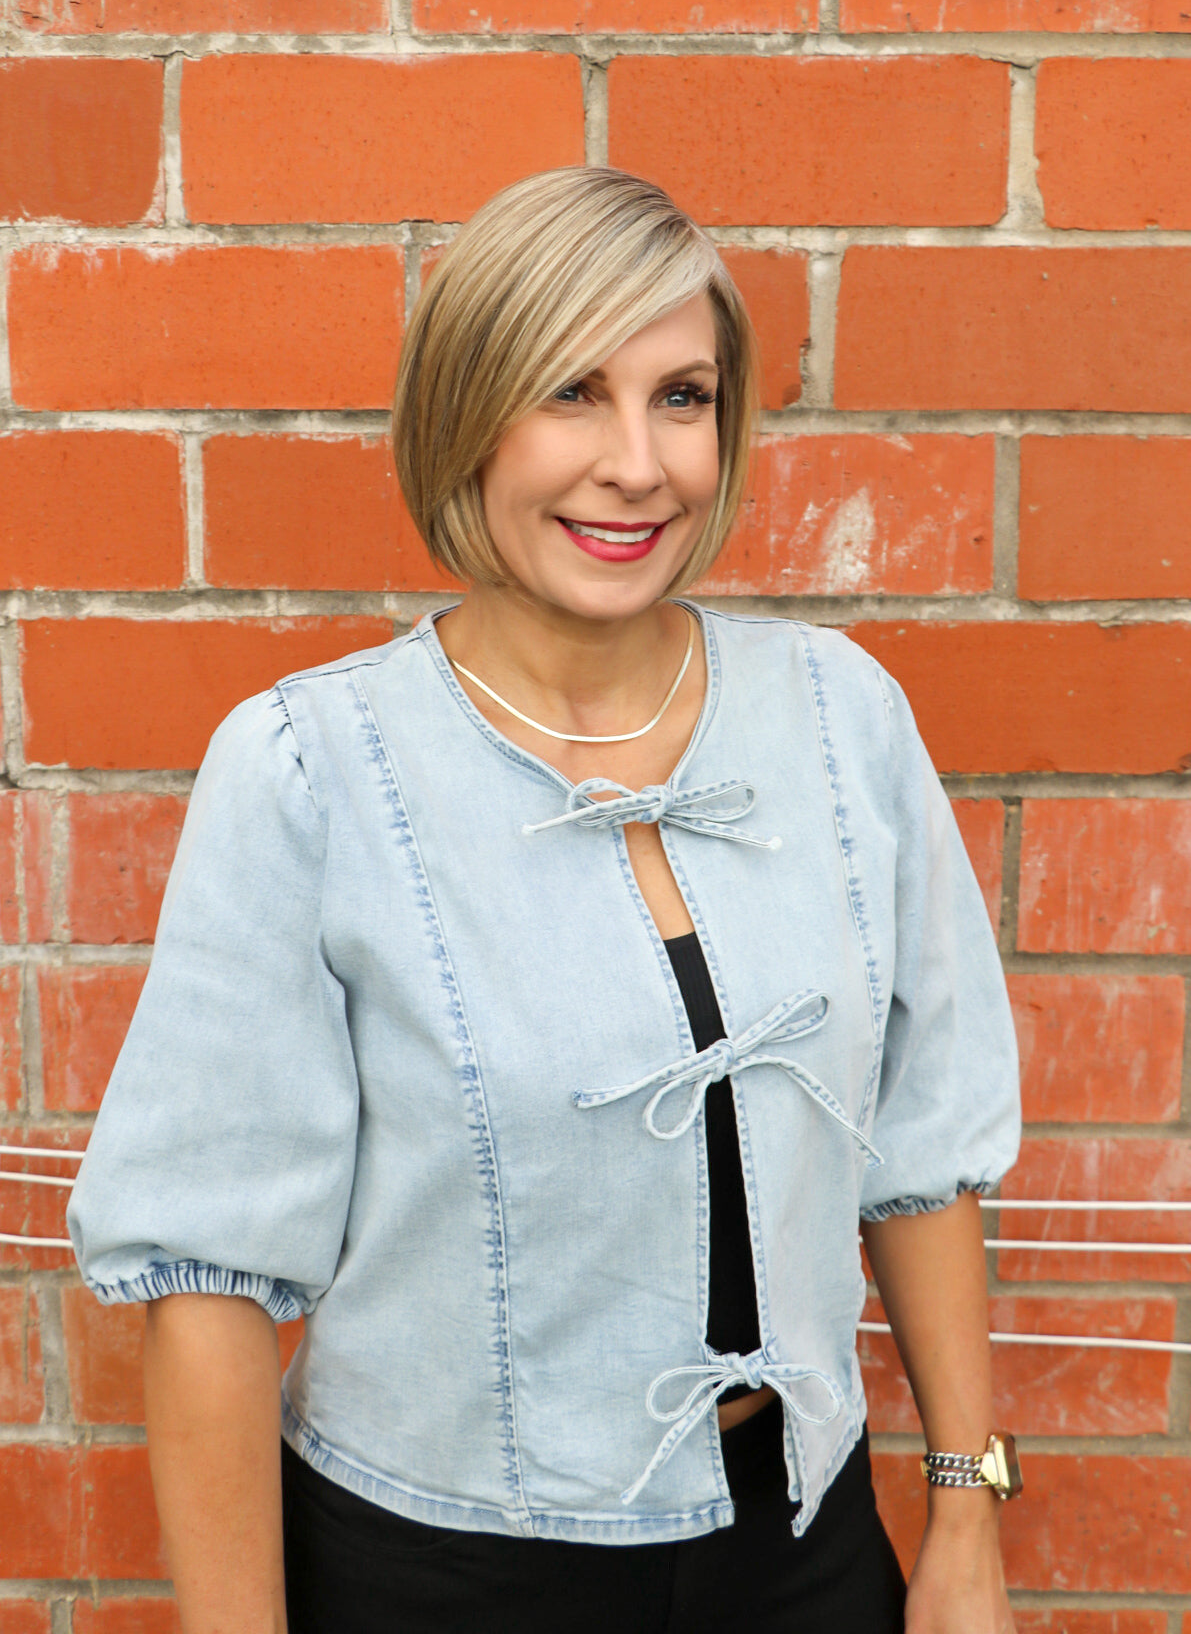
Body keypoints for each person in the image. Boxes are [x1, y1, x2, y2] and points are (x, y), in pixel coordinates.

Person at [68, 166, 1021, 1634]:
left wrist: (966, 1509)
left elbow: (921, 1140)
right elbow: (210, 1281)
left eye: (683, 397)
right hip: (435, 1574)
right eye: (572, 392)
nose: (637, 464)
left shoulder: (841, 720)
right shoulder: (315, 771)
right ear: (469, 414)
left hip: (803, 1553)